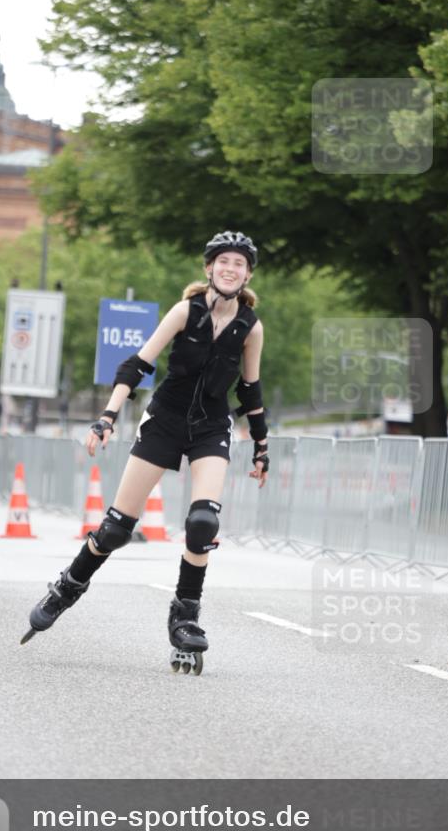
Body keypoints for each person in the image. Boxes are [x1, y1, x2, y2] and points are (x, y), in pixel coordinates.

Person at [20, 231, 270, 674]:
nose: (230, 269)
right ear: (208, 269)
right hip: (165, 422)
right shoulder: (185, 311)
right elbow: (137, 365)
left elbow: (250, 388)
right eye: (223, 262)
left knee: (202, 522)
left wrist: (262, 447)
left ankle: (185, 616)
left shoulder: (251, 327)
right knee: (116, 528)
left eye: (239, 264)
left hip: (211, 427)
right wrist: (107, 417)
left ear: (248, 274)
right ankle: (67, 587)